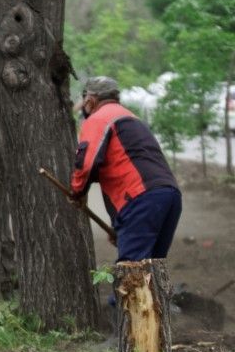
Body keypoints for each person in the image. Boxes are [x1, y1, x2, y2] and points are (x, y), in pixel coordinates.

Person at [71, 75, 182, 262]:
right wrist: (121, 226)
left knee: (132, 275)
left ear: (90, 99)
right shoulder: (131, 118)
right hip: (170, 196)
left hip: (141, 199)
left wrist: (76, 191)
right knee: (152, 270)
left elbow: (86, 163)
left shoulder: (99, 119)